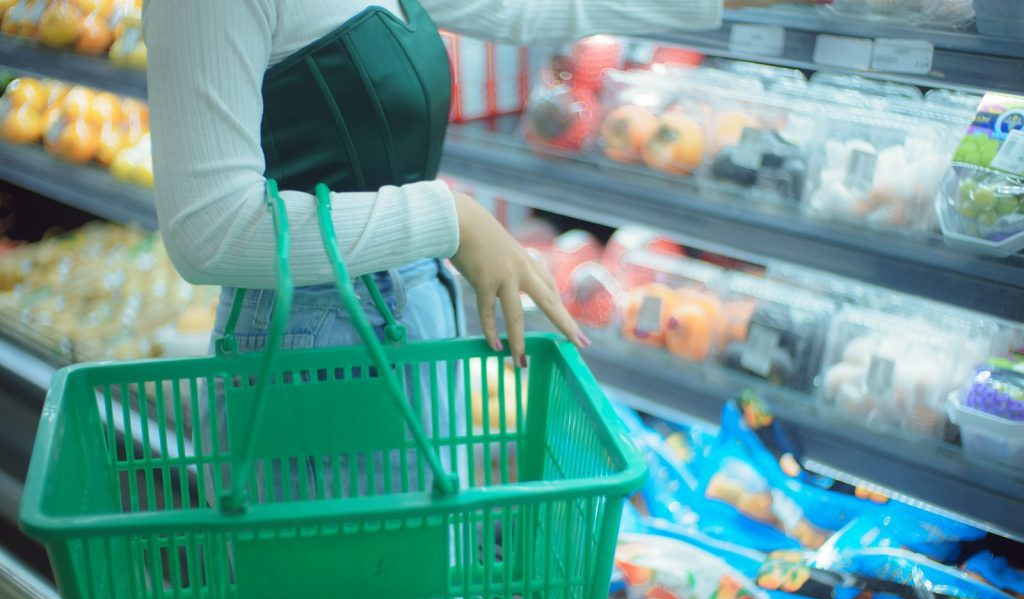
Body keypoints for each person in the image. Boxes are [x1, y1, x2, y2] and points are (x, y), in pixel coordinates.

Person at [144, 0, 828, 372]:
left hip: (413, 313)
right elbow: (211, 232)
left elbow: (522, 8)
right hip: (314, 353)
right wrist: (451, 219)